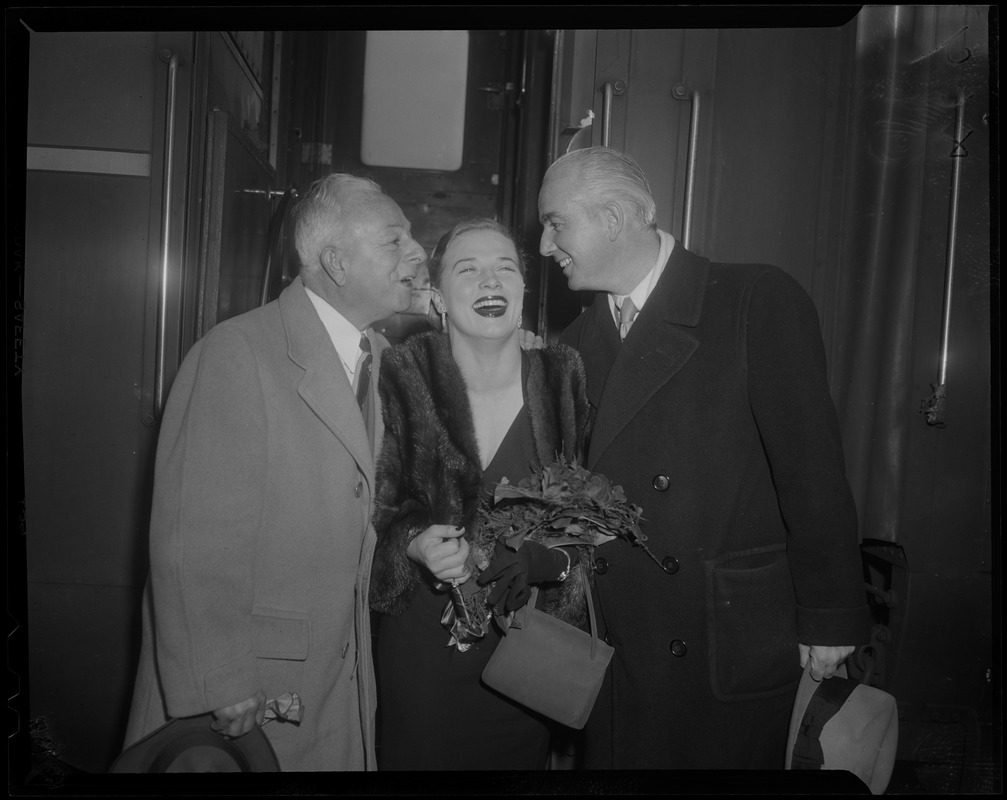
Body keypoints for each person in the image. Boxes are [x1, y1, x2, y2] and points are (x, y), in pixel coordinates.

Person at [537, 146, 872, 770]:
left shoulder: (753, 299)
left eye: (556, 223)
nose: (544, 245)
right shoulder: (578, 340)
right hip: (622, 644)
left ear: (612, 218)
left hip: (729, 633)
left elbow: (813, 471)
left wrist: (831, 613)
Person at [122, 173, 426, 771]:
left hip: (338, 676)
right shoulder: (237, 353)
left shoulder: (388, 364)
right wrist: (221, 680)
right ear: (335, 261)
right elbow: (195, 540)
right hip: (251, 693)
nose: (417, 253)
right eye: (395, 240)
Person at [368, 218, 592, 771]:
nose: (490, 281)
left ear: (522, 290)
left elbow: (592, 514)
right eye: (468, 270)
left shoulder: (563, 378)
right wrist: (415, 544)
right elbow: (378, 506)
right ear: (440, 298)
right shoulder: (402, 374)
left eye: (505, 268)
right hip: (425, 642)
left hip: (527, 644)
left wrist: (558, 561)